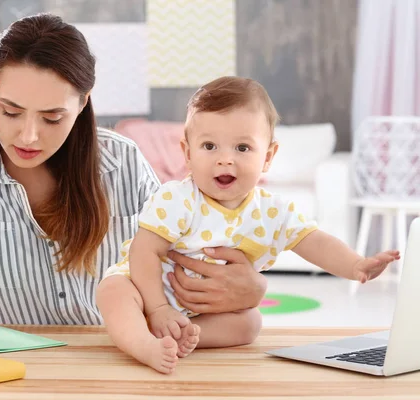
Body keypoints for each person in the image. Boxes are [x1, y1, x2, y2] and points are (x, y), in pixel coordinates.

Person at [0, 14, 267, 333]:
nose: (28, 135)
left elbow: (185, 268)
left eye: (52, 117)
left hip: (116, 371)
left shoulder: (122, 164)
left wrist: (248, 288)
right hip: (9, 380)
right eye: (9, 111)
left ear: (82, 104)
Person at [96, 76, 400, 374]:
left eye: (242, 148)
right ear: (188, 154)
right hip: (150, 289)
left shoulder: (272, 211)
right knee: (113, 290)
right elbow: (143, 252)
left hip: (204, 310)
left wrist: (357, 264)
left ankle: (183, 335)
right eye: (210, 146)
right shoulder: (178, 198)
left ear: (267, 157)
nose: (225, 160)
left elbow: (315, 242)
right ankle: (143, 344)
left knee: (249, 323)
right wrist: (158, 307)